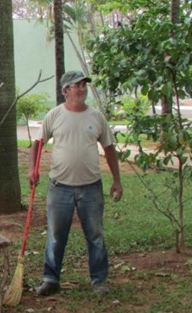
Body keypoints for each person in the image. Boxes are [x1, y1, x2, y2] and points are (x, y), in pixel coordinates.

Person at [28, 71, 123, 296]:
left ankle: (99, 280)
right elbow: (38, 143)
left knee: (95, 234)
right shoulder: (54, 115)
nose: (81, 89)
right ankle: (51, 279)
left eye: (83, 85)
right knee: (55, 234)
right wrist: (32, 169)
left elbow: (109, 149)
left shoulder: (97, 117)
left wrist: (117, 181)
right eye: (76, 85)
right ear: (65, 91)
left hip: (91, 186)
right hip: (59, 186)